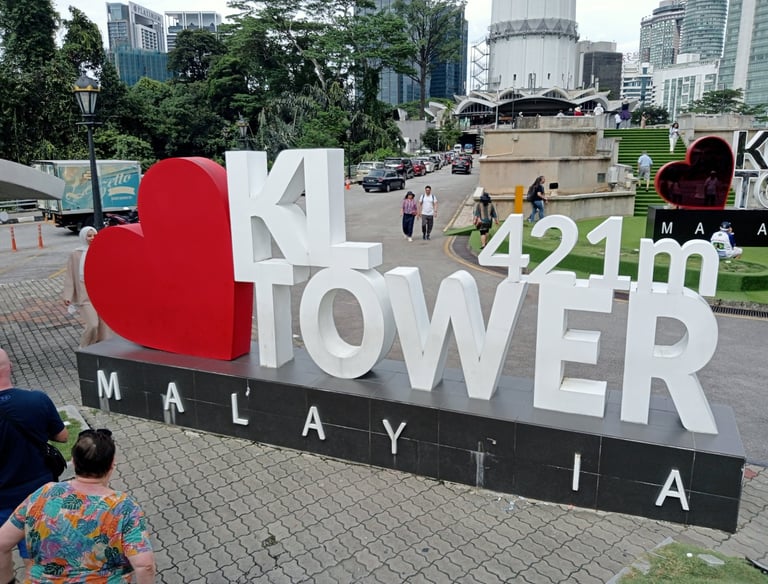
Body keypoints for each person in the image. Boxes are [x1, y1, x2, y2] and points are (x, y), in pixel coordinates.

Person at [0, 429, 156, 583]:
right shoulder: (124, 508)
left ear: (73, 462)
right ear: (111, 466)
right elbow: (145, 565)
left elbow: (2, 543)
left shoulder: (45, 493)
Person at [0, 348, 68, 564]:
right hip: (38, 495)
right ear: (10, 367)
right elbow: (63, 436)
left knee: (1, 550)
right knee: (35, 553)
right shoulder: (37, 399)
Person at [63, 226, 110, 348]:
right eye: (89, 236)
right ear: (83, 237)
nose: (92, 238)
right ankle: (84, 347)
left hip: (102, 295)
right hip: (85, 297)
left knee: (105, 327)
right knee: (93, 325)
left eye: (94, 235)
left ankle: (100, 348)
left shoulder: (102, 250)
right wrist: (68, 295)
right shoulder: (76, 254)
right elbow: (70, 275)